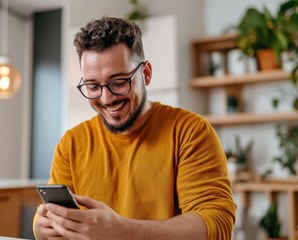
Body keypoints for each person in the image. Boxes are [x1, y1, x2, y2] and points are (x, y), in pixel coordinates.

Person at [33, 16, 236, 240]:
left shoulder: (190, 132)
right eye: (92, 86)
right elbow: (42, 224)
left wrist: (120, 230)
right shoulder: (72, 143)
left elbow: (217, 225)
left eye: (119, 82)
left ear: (146, 74)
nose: (106, 97)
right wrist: (44, 225)